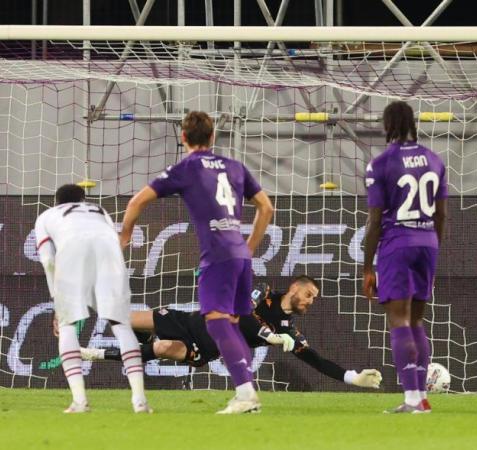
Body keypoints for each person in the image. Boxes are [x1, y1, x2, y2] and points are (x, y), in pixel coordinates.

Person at [120, 111, 274, 414]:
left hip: (217, 256)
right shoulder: (235, 166)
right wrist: (250, 247)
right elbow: (266, 208)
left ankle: (245, 395)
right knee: (231, 324)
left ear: (183, 138)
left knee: (216, 323)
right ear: (213, 136)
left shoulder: (187, 167)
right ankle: (248, 394)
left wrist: (124, 237)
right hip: (240, 256)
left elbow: (136, 202)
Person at [80, 276, 382, 389]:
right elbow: (241, 313)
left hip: (208, 346)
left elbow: (316, 361)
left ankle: (98, 354)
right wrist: (268, 335)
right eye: (310, 294)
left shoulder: (289, 332)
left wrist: (352, 377)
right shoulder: (262, 292)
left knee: (161, 351)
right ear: (294, 288)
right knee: (124, 318)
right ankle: (80, 308)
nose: (311, 300)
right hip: (193, 321)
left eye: (314, 298)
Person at [363, 100, 448, 413]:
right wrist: (434, 252)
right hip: (428, 242)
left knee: (399, 319)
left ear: (388, 126)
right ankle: (421, 399)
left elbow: (374, 221)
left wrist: (367, 267)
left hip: (397, 242)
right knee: (417, 321)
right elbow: (441, 216)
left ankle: (412, 399)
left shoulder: (381, 164)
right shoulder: (434, 160)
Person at [35, 184, 150, 413]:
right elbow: (116, 241)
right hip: (110, 256)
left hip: (72, 255)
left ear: (56, 201)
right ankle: (140, 401)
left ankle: (79, 402)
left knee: (67, 325)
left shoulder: (46, 216)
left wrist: (57, 300)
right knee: (121, 325)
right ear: (83, 199)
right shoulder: (98, 210)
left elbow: (48, 260)